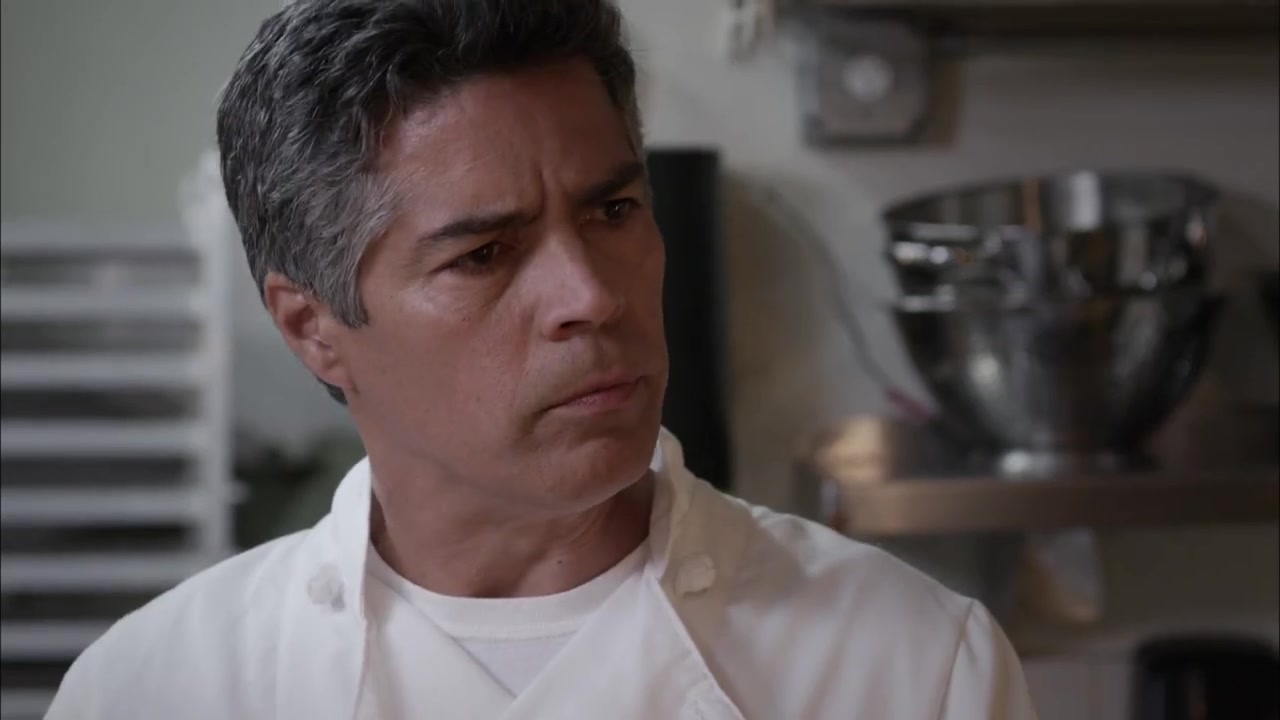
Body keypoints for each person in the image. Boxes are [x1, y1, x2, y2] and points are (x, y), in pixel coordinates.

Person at [46, 1, 1038, 718]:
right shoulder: (153, 689)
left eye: (614, 211)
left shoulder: (909, 670)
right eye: (483, 255)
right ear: (313, 329)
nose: (592, 296)